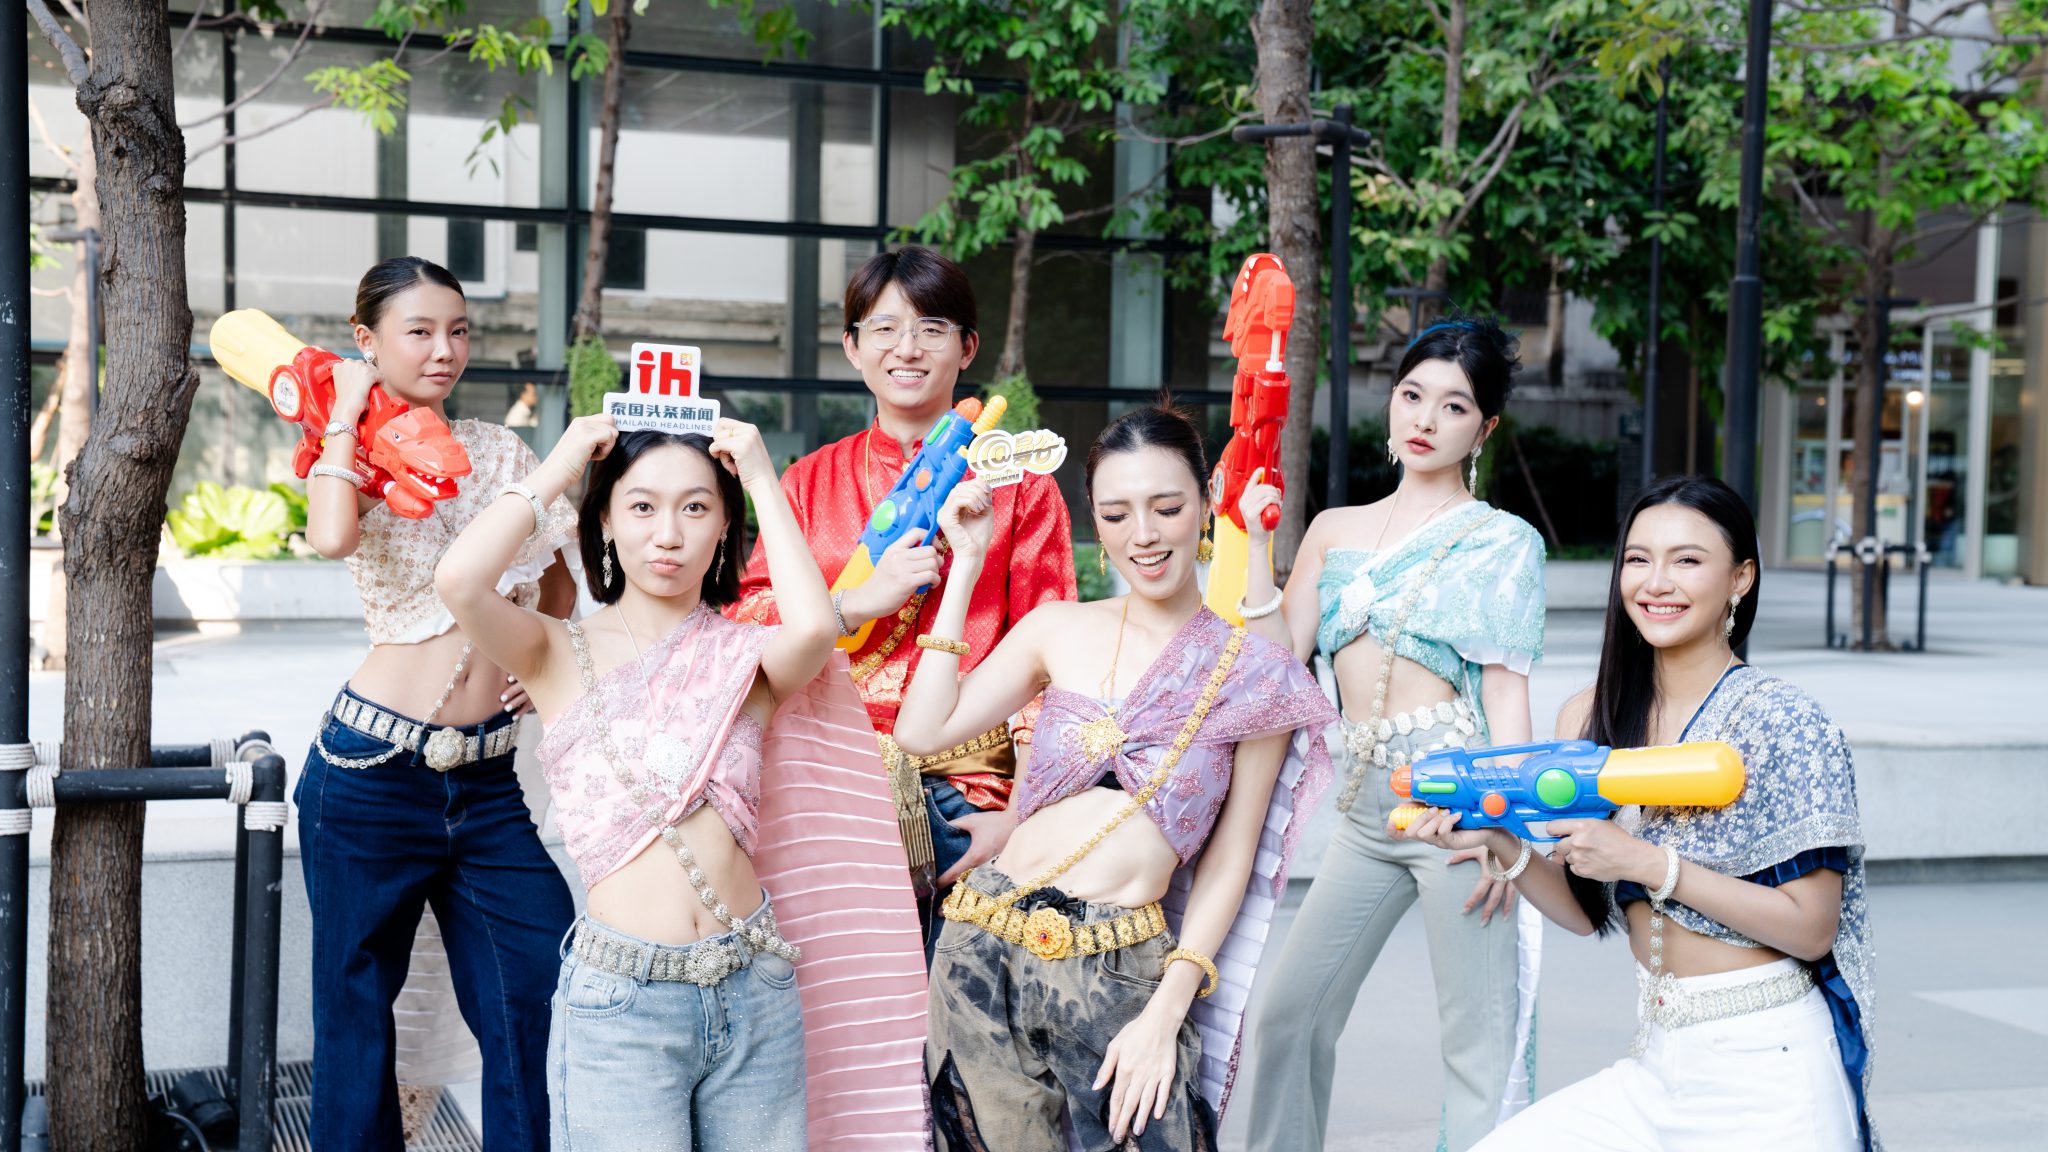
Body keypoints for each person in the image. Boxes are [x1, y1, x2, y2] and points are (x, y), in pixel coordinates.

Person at [434, 414, 929, 1149]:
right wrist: (564, 464)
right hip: (622, 1002)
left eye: (696, 507)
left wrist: (761, 475)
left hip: (754, 984)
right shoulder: (552, 650)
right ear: (605, 522)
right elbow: (458, 580)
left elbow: (815, 630)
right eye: (641, 506)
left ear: (725, 528)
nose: (667, 533)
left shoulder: (749, 658)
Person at [897, 404, 1337, 1151]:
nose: (1144, 535)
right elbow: (921, 731)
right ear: (1093, 521)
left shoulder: (1255, 674)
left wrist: (1167, 1011)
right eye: (1116, 513)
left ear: (1206, 502)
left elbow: (1229, 863)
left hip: (1120, 964)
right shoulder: (1058, 628)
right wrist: (965, 565)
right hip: (979, 945)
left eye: (1167, 507)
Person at [1397, 475, 1877, 1152]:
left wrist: (1651, 864)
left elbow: (1812, 928)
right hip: (1656, 1063)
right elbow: (1584, 910)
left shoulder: (1784, 721)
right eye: (1638, 559)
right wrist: (1500, 839)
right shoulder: (1591, 717)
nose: (1656, 582)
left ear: (1740, 578)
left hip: (1770, 1070)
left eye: (1687, 560)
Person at [1239, 312, 1547, 1152]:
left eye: (1454, 406)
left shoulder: (1502, 542)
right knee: (1289, 1016)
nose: (1425, 419)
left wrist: (1509, 831)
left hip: (1460, 803)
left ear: (1484, 429)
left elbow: (1506, 694)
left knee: (1478, 1043)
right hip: (1366, 808)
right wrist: (1260, 545)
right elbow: (1278, 665)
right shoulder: (1333, 528)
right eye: (1413, 395)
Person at [297, 256, 578, 1149]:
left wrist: (534, 655)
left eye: (457, 330)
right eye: (418, 331)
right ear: (367, 340)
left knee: (537, 987)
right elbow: (330, 536)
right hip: (369, 773)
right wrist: (345, 411)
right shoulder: (346, 452)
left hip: (488, 784)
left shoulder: (500, 451)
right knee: (355, 1019)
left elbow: (559, 587)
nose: (444, 349)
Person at [728, 245, 1075, 945]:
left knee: (951, 1005)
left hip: (970, 800)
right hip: (827, 789)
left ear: (967, 347)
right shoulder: (807, 482)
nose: (907, 348)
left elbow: (1053, 662)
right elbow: (748, 624)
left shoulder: (1023, 488)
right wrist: (856, 603)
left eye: (931, 329)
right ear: (853, 348)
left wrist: (1021, 815)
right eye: (884, 329)